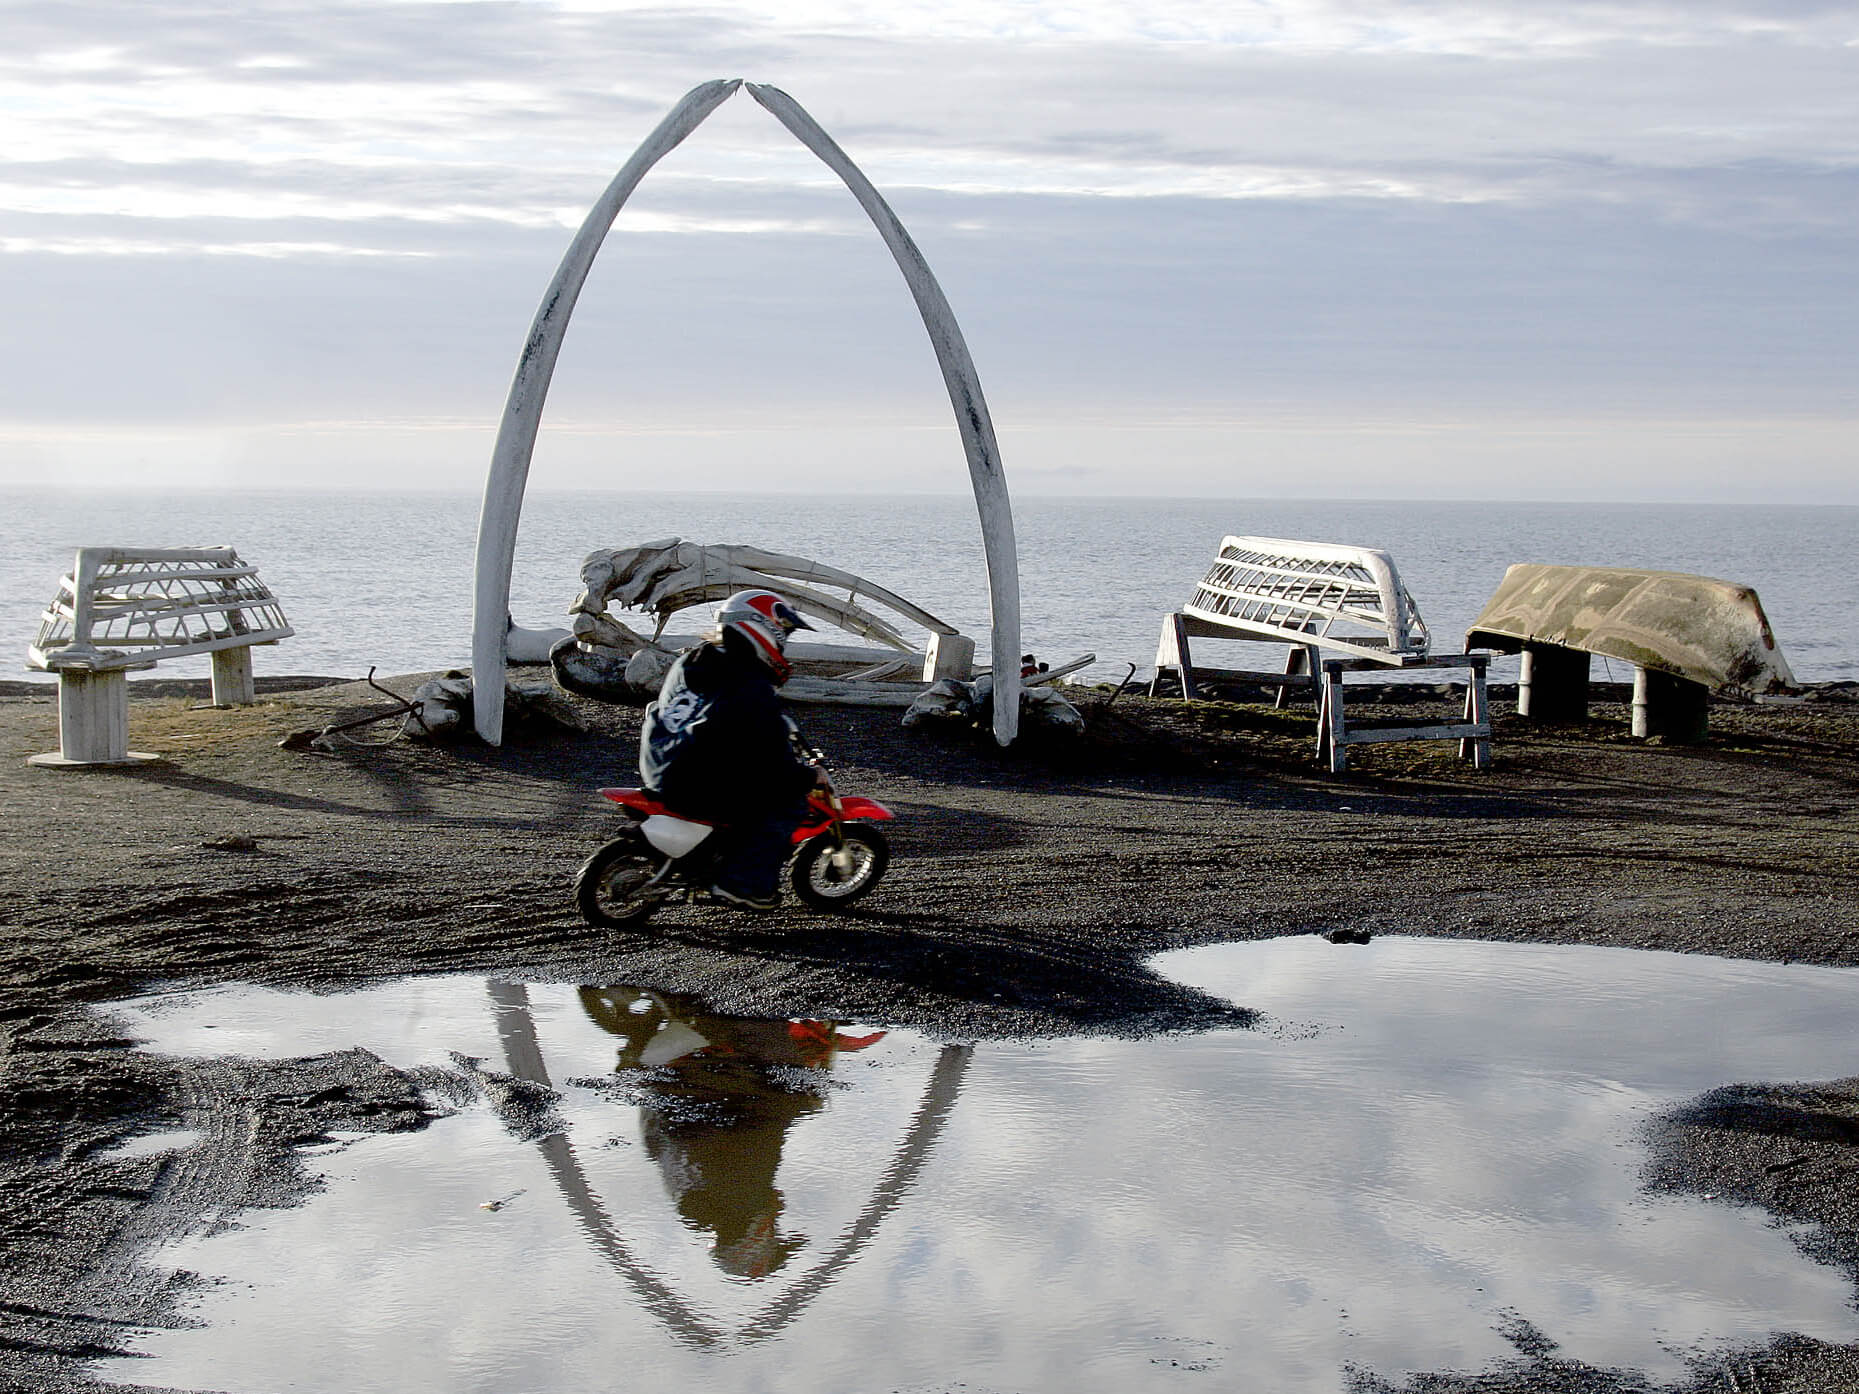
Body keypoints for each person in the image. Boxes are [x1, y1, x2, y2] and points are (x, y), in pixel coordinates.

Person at [638, 589, 825, 911]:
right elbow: (771, 762)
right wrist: (807, 776)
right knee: (787, 805)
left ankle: (710, 857)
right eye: (782, 633)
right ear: (762, 627)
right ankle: (742, 885)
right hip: (693, 781)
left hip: (659, 763)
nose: (783, 642)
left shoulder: (695, 659)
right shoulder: (751, 687)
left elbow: (714, 718)